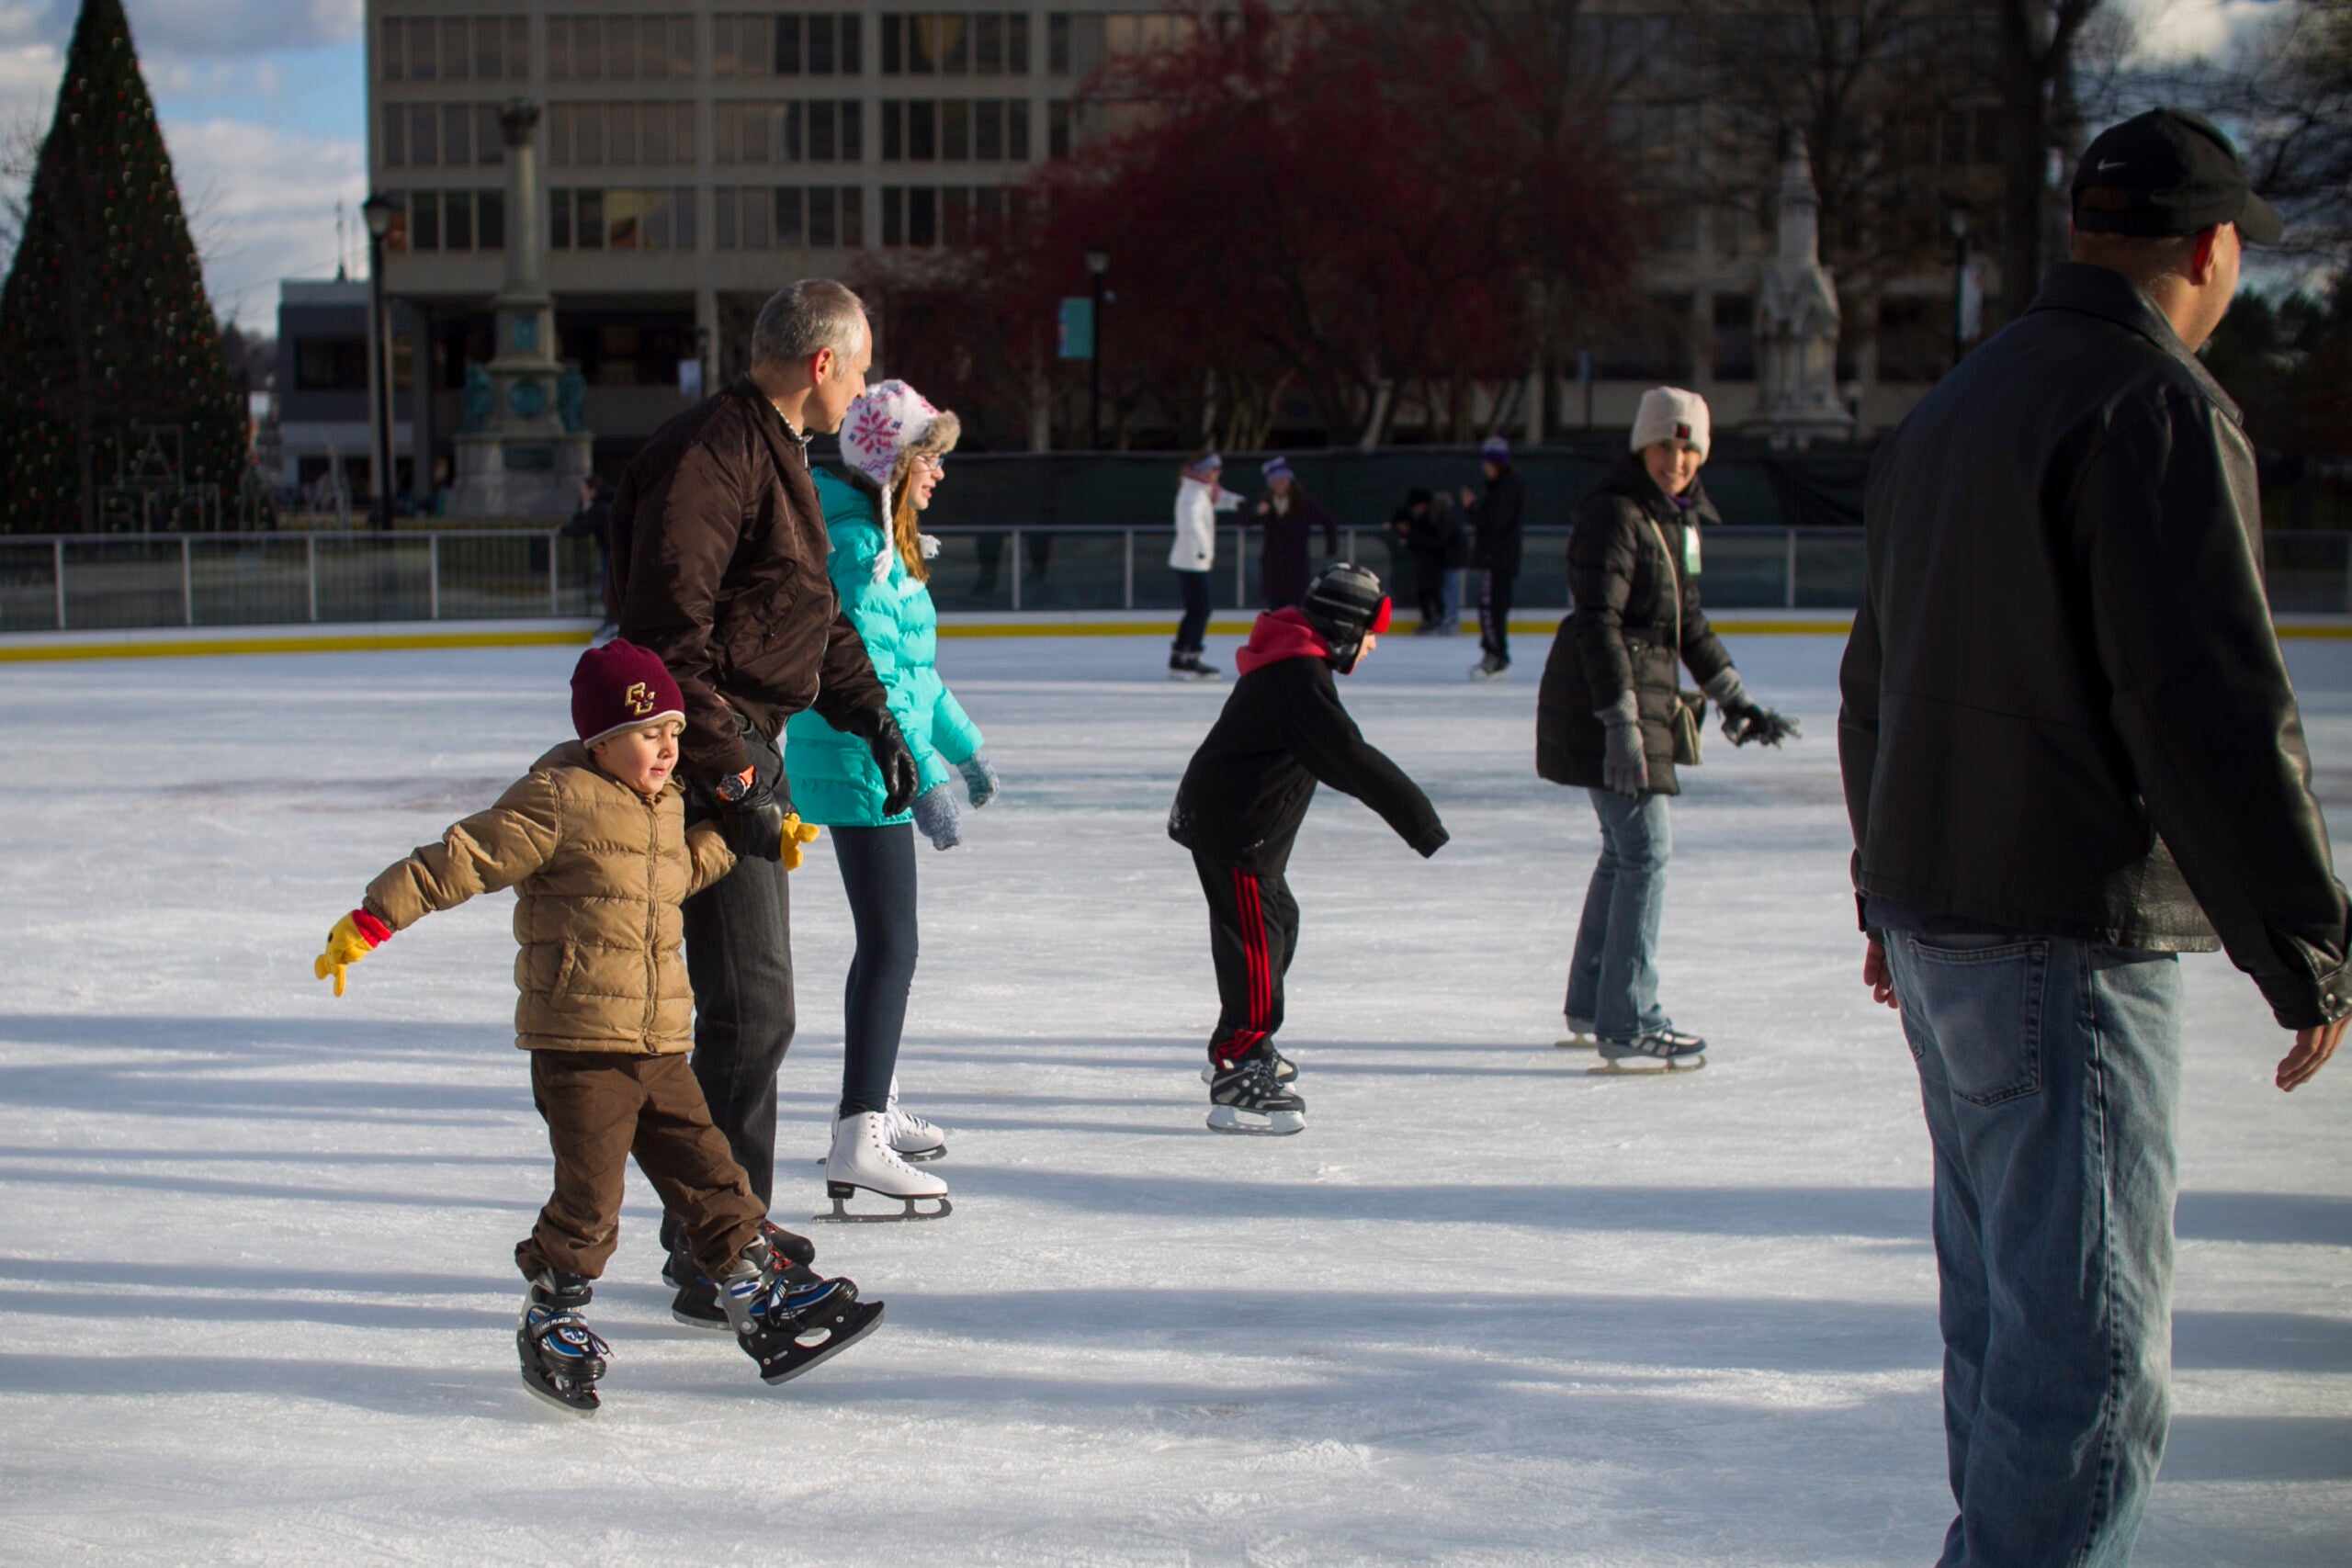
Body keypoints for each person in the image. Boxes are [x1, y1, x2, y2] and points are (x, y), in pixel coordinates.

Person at [1839, 108, 2346, 1567]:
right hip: (2063, 929)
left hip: (1944, 918)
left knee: (2007, 1333)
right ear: (2216, 248)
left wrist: (1888, 892)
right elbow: (2204, 700)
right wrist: (2302, 934)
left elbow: (1879, 679)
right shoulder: (2153, 405)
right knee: (2085, 1359)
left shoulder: (1960, 400)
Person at [308, 641, 880, 1414]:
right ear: (600, 738)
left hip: (658, 1044)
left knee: (712, 1175)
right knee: (590, 1202)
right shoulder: (558, 796)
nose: (669, 748)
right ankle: (552, 1314)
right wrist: (375, 917)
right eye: (651, 734)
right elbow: (464, 856)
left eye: (675, 732)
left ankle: (755, 1295)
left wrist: (746, 839)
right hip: (580, 1048)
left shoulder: (666, 803)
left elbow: (678, 872)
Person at [605, 280, 920, 1319]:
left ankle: (720, 1225)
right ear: (822, 362)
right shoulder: (716, 451)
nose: (866, 385)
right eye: (863, 364)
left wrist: (875, 719)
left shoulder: (778, 449)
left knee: (752, 1009)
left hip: (749, 742)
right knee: (751, 1007)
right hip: (707, 753)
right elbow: (665, 627)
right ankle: (714, 1248)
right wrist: (729, 764)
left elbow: (809, 616)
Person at [1535, 387, 1797, 1072]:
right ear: (1640, 446)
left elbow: (1689, 624)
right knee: (1645, 852)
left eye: (1689, 447)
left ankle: (1595, 1004)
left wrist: (1736, 698)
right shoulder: (1614, 514)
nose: (1677, 458)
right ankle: (1629, 1017)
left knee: (1625, 853)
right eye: (1665, 444)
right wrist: (1619, 720)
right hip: (1606, 700)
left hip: (1636, 700)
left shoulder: (1675, 521)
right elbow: (1599, 622)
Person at [786, 379, 997, 1221]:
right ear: (895, 463)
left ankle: (877, 1097)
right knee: (892, 945)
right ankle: (857, 1134)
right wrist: (925, 778)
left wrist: (966, 748)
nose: (940, 473)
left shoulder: (883, 542)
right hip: (861, 760)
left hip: (880, 757)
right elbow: (868, 684)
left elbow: (918, 677)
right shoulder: (855, 550)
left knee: (886, 943)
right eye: (930, 458)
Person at [1168, 563, 1449, 1134]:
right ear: (1344, 627)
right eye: (1370, 632)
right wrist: (1421, 823)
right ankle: (1239, 1063)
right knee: (1255, 944)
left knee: (1279, 926)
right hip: (1237, 833)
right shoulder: (1299, 678)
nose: (1373, 644)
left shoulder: (1298, 666)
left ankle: (1242, 1041)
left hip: (1247, 830)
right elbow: (1350, 756)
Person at [1170, 449, 1243, 680]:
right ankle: (1190, 659)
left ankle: (1180, 657)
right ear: (1204, 471)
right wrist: (1202, 549)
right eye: (1214, 469)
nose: (1218, 473)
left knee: (1195, 610)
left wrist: (1238, 503)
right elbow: (1191, 523)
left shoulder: (1200, 489)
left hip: (1189, 559)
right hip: (1193, 560)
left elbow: (1219, 499)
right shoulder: (1193, 493)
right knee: (1201, 610)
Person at [1461, 434, 1523, 678]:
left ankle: (1496, 656)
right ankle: (1494, 654)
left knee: (1491, 607)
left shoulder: (1506, 488)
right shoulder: (1503, 487)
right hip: (1498, 558)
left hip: (1496, 559)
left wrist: (1474, 507)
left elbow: (1495, 522)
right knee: (1491, 607)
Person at [1250, 456, 1338, 609]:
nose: (1280, 485)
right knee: (1276, 613)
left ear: (1290, 482)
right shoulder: (1267, 505)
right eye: (1275, 482)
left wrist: (1330, 550)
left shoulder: (1303, 504)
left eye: (1283, 480)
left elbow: (1328, 521)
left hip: (1296, 569)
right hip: (1273, 570)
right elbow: (1244, 521)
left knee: (1295, 612)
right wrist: (1258, 513)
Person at [561, 476, 616, 637]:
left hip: (612, 552)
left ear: (592, 491)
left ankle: (613, 622)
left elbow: (582, 528)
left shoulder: (599, 508)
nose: (582, 493)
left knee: (608, 589)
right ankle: (612, 621)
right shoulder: (606, 504)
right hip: (613, 551)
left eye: (584, 490)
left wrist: (565, 529)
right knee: (609, 588)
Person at [1387, 487, 1447, 633]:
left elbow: (1434, 541)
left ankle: (1440, 619)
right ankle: (1432, 620)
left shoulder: (1432, 521)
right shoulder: (1420, 522)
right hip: (1424, 564)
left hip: (1433, 564)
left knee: (1433, 591)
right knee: (1424, 592)